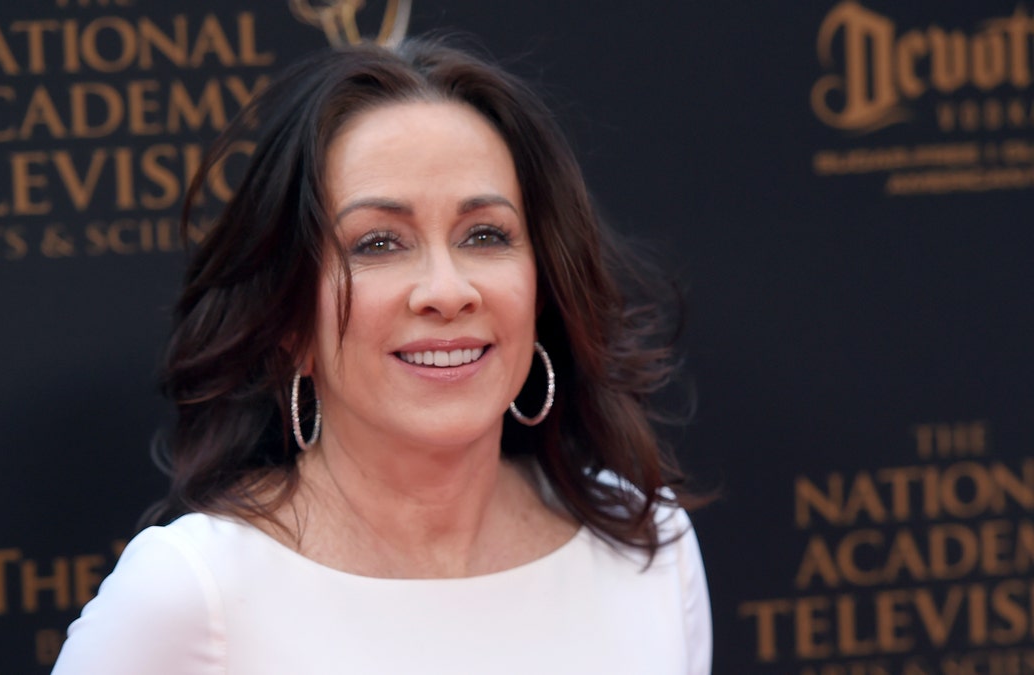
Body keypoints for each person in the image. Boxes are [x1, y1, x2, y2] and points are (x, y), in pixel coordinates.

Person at [53, 37, 711, 674]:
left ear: (541, 287)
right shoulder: (190, 595)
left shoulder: (649, 547)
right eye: (377, 244)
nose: (447, 291)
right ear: (289, 317)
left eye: (485, 234)